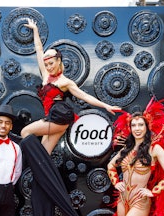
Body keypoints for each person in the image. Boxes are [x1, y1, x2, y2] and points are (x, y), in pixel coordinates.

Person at [22, 18, 122, 155]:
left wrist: (106, 106)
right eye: (46, 64)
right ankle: (45, 175)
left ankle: (34, 161)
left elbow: (85, 96)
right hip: (50, 119)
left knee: (25, 132)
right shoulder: (45, 75)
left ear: (59, 61)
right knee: (44, 155)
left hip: (58, 120)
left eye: (51, 63)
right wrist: (35, 30)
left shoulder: (65, 82)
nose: (48, 67)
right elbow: (39, 50)